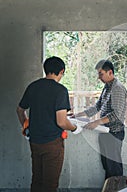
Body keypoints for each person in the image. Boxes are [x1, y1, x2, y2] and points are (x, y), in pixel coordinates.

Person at [16, 56, 82, 192]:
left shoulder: (33, 86)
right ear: (61, 71)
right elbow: (62, 122)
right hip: (52, 143)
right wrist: (75, 128)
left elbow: (20, 110)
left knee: (37, 180)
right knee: (50, 184)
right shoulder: (60, 90)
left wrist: (26, 127)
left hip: (34, 141)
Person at [73, 59, 127, 179]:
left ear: (110, 73)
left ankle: (117, 189)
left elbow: (117, 114)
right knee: (107, 166)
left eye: (101, 74)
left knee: (114, 167)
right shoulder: (107, 87)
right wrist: (78, 115)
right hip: (104, 132)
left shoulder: (117, 88)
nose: (99, 77)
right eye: (98, 74)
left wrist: (96, 122)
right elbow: (98, 106)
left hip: (114, 132)